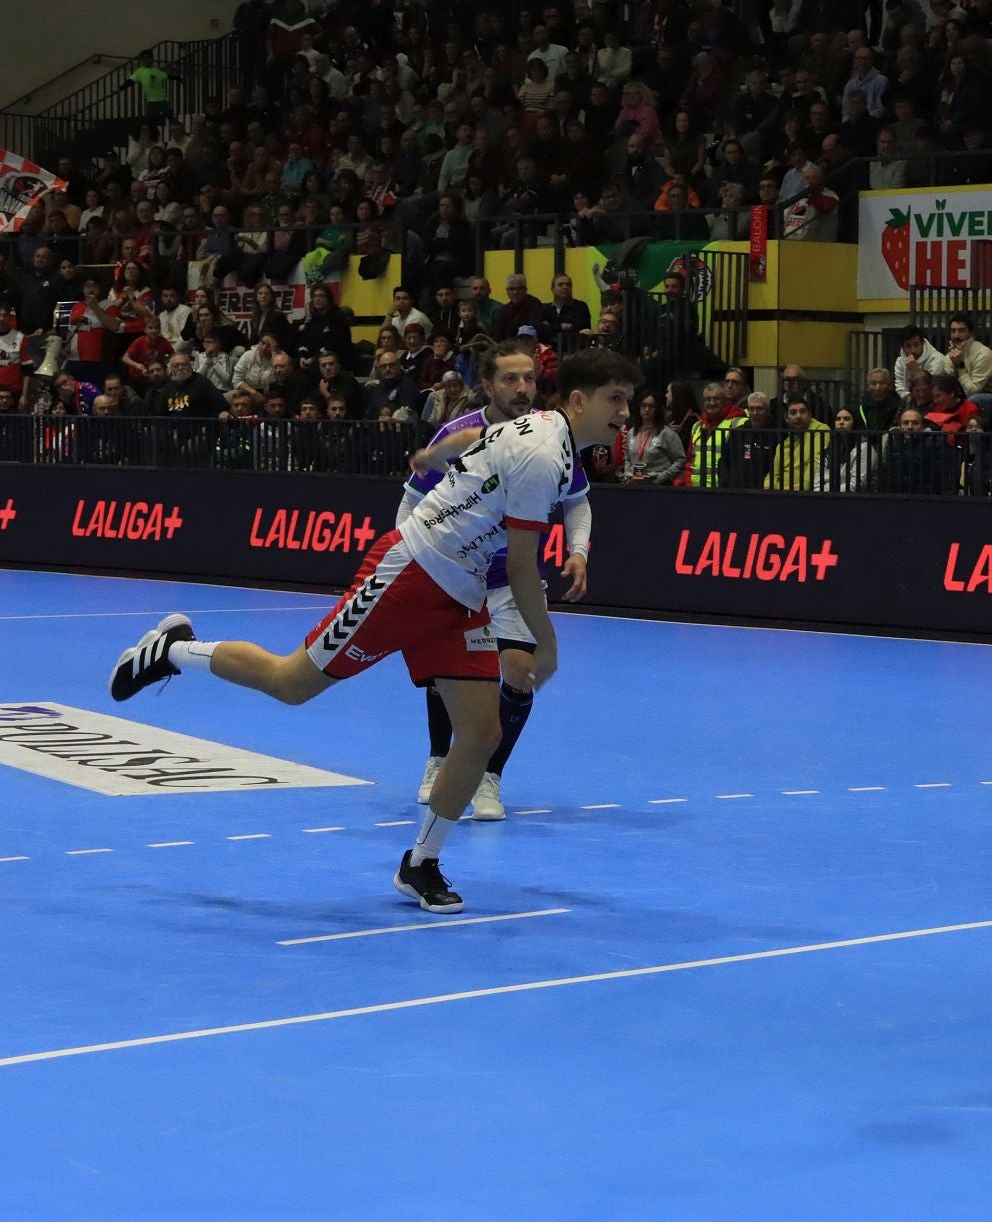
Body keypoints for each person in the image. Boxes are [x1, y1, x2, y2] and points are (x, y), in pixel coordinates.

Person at [109, 348, 639, 913]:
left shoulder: (551, 440)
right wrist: (548, 646)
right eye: (616, 400)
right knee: (292, 683)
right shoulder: (541, 450)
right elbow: (520, 565)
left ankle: (421, 865)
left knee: (481, 734)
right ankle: (175, 649)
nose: (625, 413)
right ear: (579, 401)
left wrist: (434, 453)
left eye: (628, 401)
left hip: (459, 594)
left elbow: (469, 447)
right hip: (412, 575)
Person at [394, 345, 595, 823]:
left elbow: (578, 501)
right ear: (488, 385)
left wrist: (578, 550)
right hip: (456, 574)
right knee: (450, 673)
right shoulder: (457, 435)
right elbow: (411, 506)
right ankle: (440, 761)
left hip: (512, 579)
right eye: (510, 379)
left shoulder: (551, 436)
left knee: (519, 672)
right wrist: (414, 564)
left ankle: (490, 776)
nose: (522, 388)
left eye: (529, 378)